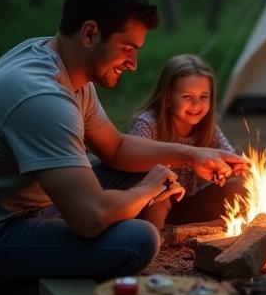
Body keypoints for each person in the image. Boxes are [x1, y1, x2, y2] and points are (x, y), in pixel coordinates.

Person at [0, 0, 244, 295]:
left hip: (36, 203)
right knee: (138, 240)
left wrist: (191, 155)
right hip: (5, 231)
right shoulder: (41, 96)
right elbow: (90, 218)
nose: (133, 63)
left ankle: (65, 271)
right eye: (127, 48)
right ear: (90, 33)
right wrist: (148, 189)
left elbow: (116, 148)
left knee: (140, 171)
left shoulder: (63, 64)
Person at [94, 53, 243, 230]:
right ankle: (156, 240)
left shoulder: (208, 130)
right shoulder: (148, 124)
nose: (196, 104)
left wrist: (236, 167)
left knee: (239, 185)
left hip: (185, 203)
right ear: (167, 98)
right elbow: (136, 170)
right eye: (187, 97)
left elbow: (228, 156)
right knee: (163, 189)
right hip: (144, 203)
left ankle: (192, 229)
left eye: (204, 97)